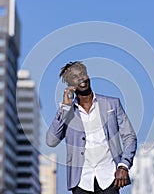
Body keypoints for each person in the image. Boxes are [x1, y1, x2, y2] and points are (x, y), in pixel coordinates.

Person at [46, 61, 137, 194]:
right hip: (81, 182)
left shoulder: (112, 104)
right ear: (70, 85)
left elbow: (129, 136)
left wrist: (123, 165)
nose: (81, 78)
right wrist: (65, 106)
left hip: (109, 178)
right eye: (75, 77)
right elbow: (51, 141)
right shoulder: (68, 113)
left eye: (82, 74)